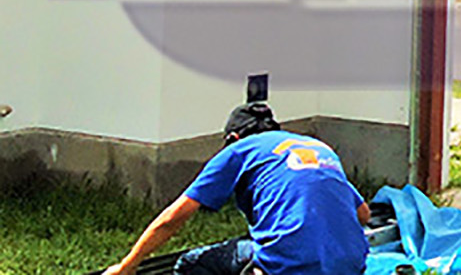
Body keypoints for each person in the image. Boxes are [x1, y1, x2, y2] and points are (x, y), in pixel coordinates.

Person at [104, 102, 371, 275]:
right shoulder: (315, 147)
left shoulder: (240, 149)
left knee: (191, 264)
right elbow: (364, 214)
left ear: (233, 138)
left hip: (290, 265)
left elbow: (173, 218)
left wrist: (127, 266)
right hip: (351, 263)